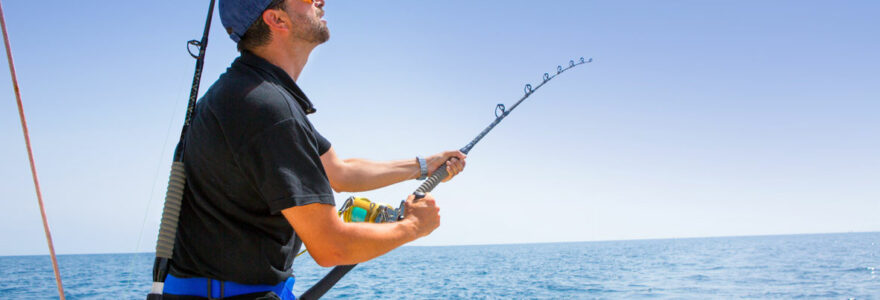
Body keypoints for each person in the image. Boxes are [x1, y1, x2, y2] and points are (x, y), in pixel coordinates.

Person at [161, 0, 467, 299]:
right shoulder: (265, 108)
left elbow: (340, 171)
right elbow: (331, 246)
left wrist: (426, 165)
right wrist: (414, 226)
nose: (320, 1)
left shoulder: (250, 93)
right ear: (277, 20)